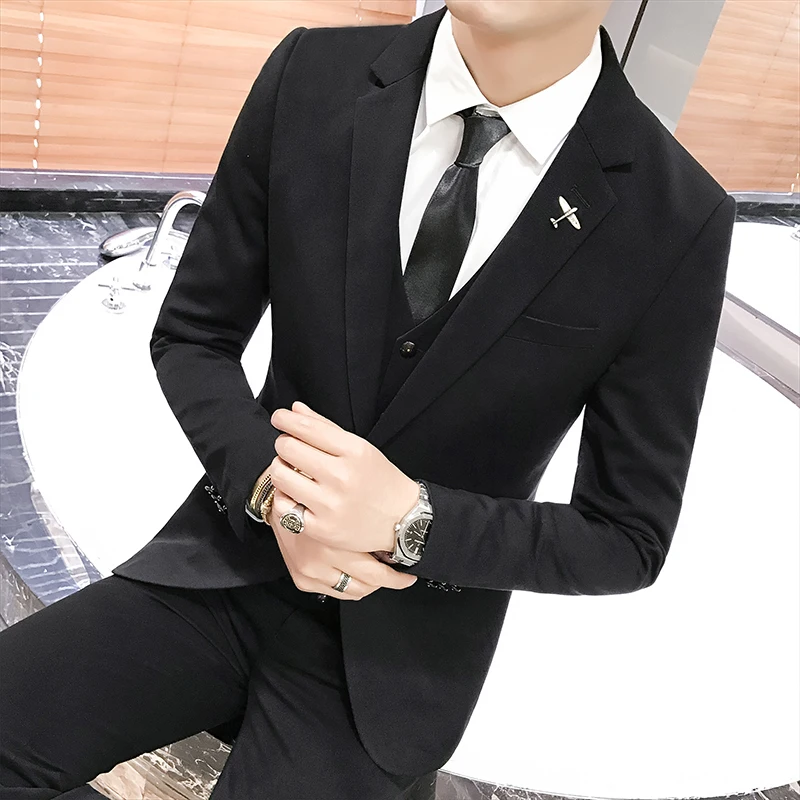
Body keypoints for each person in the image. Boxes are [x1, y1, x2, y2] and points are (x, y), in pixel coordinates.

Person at [0, 1, 737, 798]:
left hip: (396, 662)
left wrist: (412, 522)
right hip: (225, 564)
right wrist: (275, 494)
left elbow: (626, 537)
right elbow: (193, 335)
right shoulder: (312, 76)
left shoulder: (676, 213)